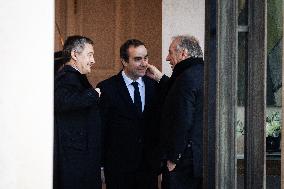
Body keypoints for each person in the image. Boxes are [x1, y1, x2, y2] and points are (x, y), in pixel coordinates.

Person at [97, 39, 161, 189]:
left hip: (148, 168)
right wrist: (100, 165)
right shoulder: (107, 88)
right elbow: (101, 130)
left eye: (145, 58)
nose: (144, 63)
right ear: (124, 61)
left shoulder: (155, 86)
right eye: (138, 59)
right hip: (118, 169)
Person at [146, 35, 204, 189]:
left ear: (183, 54)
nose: (167, 58)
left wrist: (173, 158)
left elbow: (182, 121)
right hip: (200, 160)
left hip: (183, 163)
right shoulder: (203, 73)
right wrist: (160, 78)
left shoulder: (185, 79)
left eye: (170, 52)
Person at [54, 35, 102, 189]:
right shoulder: (66, 77)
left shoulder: (75, 77)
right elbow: (63, 101)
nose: (93, 60)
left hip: (80, 160)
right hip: (75, 164)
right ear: (74, 55)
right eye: (89, 55)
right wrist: (93, 94)